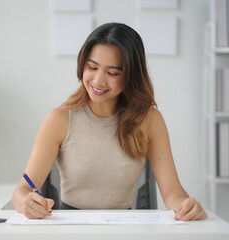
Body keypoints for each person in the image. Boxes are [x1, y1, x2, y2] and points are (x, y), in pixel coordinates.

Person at [12, 22, 207, 221]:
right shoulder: (59, 119)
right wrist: (26, 202)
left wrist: (185, 205)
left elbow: (172, 191)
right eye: (92, 67)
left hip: (125, 228)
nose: (98, 81)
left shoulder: (149, 120)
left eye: (112, 73)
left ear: (131, 76)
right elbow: (24, 188)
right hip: (70, 227)